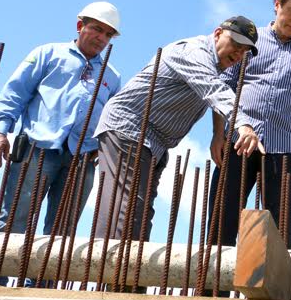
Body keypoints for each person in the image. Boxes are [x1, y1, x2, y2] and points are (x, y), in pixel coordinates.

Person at [93, 16, 263, 242]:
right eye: (235, 45)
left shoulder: (214, 66)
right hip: (129, 129)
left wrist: (217, 134)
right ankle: (113, 274)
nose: (238, 54)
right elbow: (214, 89)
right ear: (217, 33)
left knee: (140, 216)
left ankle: (121, 274)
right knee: (126, 212)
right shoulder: (194, 52)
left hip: (153, 141)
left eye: (244, 51)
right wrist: (243, 124)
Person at [0, 2, 122, 285]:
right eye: (97, 29)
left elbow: (113, 120)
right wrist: (1, 131)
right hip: (36, 149)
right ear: (80, 26)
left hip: (82, 158)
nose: (101, 38)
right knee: (14, 222)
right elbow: (14, 94)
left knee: (60, 233)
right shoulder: (47, 54)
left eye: (108, 34)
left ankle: (38, 293)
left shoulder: (112, 77)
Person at [209, 0, 291, 249]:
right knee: (220, 228)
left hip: (285, 151)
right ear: (277, 5)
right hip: (238, 142)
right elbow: (223, 87)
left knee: (277, 238)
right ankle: (213, 292)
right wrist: (218, 135)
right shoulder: (249, 42)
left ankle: (268, 293)